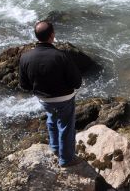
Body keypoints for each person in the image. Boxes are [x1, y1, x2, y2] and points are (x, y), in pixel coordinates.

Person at [19, 21, 83, 167]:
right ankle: (66, 160)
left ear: (36, 36)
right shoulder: (61, 56)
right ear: (52, 35)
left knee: (51, 118)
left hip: (43, 99)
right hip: (64, 98)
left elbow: (24, 85)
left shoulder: (25, 57)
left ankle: (54, 147)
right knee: (66, 126)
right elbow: (76, 82)